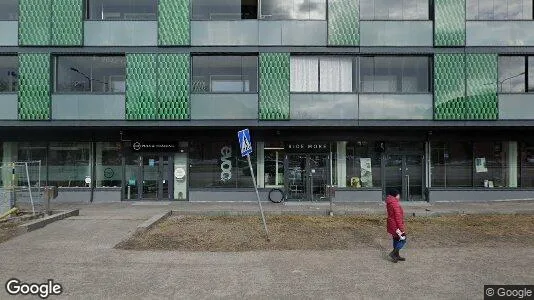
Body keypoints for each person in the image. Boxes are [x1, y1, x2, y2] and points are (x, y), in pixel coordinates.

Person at [386, 189, 406, 263]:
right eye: (398, 194)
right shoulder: (395, 204)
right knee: (403, 239)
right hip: (396, 225)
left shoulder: (390, 202)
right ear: (395, 195)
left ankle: (397, 255)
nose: (399, 196)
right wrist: (401, 229)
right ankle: (394, 253)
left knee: (396, 239)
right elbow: (398, 217)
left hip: (391, 224)